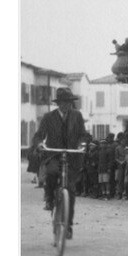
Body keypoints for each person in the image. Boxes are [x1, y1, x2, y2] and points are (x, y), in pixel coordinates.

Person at [32, 87, 86, 239]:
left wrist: (82, 144)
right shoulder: (48, 117)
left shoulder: (77, 116)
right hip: (53, 154)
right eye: (63, 102)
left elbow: (83, 134)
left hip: (71, 156)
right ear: (58, 103)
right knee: (51, 173)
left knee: (71, 190)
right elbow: (38, 135)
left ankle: (68, 226)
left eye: (68, 102)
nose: (66, 105)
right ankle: (49, 199)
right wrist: (40, 144)